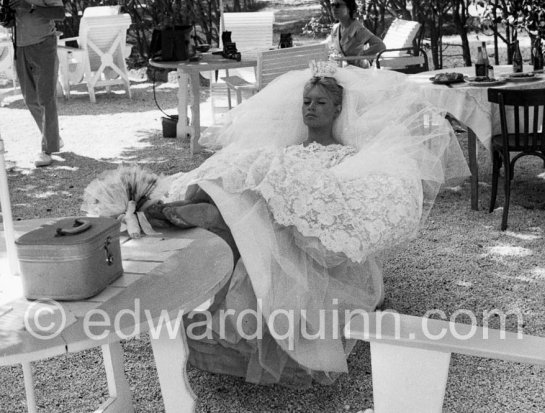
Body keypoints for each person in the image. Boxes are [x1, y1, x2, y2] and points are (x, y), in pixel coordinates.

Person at [85, 62, 469, 387]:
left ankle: (211, 211)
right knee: (247, 169)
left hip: (305, 197)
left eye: (320, 103)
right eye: (306, 102)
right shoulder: (286, 149)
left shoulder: (346, 154)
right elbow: (267, 166)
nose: (311, 109)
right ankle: (198, 203)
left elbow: (337, 192)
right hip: (275, 186)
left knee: (266, 186)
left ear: (337, 110)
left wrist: (290, 184)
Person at [3, 0, 64, 167]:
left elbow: (60, 13)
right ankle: (52, 136)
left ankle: (47, 149)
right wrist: (6, 18)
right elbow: (10, 22)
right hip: (20, 47)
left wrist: (29, 7)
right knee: (30, 99)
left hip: (44, 43)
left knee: (46, 98)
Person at [328, 0, 386, 68]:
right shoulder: (336, 28)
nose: (334, 8)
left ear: (349, 8)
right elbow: (332, 49)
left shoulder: (357, 29)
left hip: (359, 70)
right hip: (342, 69)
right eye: (332, 5)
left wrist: (360, 56)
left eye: (338, 5)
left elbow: (380, 45)